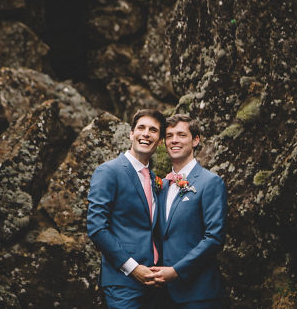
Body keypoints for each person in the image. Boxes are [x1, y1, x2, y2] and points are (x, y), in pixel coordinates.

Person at [87, 109, 167, 309]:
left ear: (160, 141)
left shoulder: (155, 179)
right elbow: (96, 228)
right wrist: (132, 268)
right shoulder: (109, 171)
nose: (146, 134)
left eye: (153, 130)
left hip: (155, 282)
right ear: (131, 133)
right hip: (123, 282)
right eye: (141, 128)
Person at [151, 113, 227, 308]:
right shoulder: (162, 185)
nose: (174, 140)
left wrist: (176, 271)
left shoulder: (210, 182)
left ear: (195, 140)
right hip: (163, 294)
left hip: (198, 293)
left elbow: (214, 238)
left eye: (181, 135)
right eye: (169, 136)